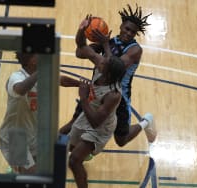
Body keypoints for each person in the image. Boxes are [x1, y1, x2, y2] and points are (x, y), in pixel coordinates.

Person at [59, 4, 157, 148]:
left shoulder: (135, 50)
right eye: (127, 29)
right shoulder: (109, 41)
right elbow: (80, 52)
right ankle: (51, 151)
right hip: (96, 90)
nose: (129, 33)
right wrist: (82, 30)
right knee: (72, 125)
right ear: (121, 26)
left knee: (121, 141)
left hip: (118, 97)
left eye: (133, 32)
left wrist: (105, 45)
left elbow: (115, 68)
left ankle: (146, 122)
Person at [68, 15, 127, 188]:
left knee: (74, 161)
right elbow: (81, 47)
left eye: (104, 63)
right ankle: (85, 151)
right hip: (89, 112)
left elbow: (95, 122)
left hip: (101, 126)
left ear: (107, 73)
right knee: (72, 148)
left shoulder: (113, 95)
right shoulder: (106, 65)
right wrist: (81, 29)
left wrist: (84, 97)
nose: (100, 61)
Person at [0, 52, 80, 174]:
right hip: (15, 137)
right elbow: (21, 89)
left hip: (34, 133)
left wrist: (81, 84)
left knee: (41, 172)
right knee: (32, 177)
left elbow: (62, 80)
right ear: (32, 61)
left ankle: (18, 170)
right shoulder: (16, 77)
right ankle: (18, 169)